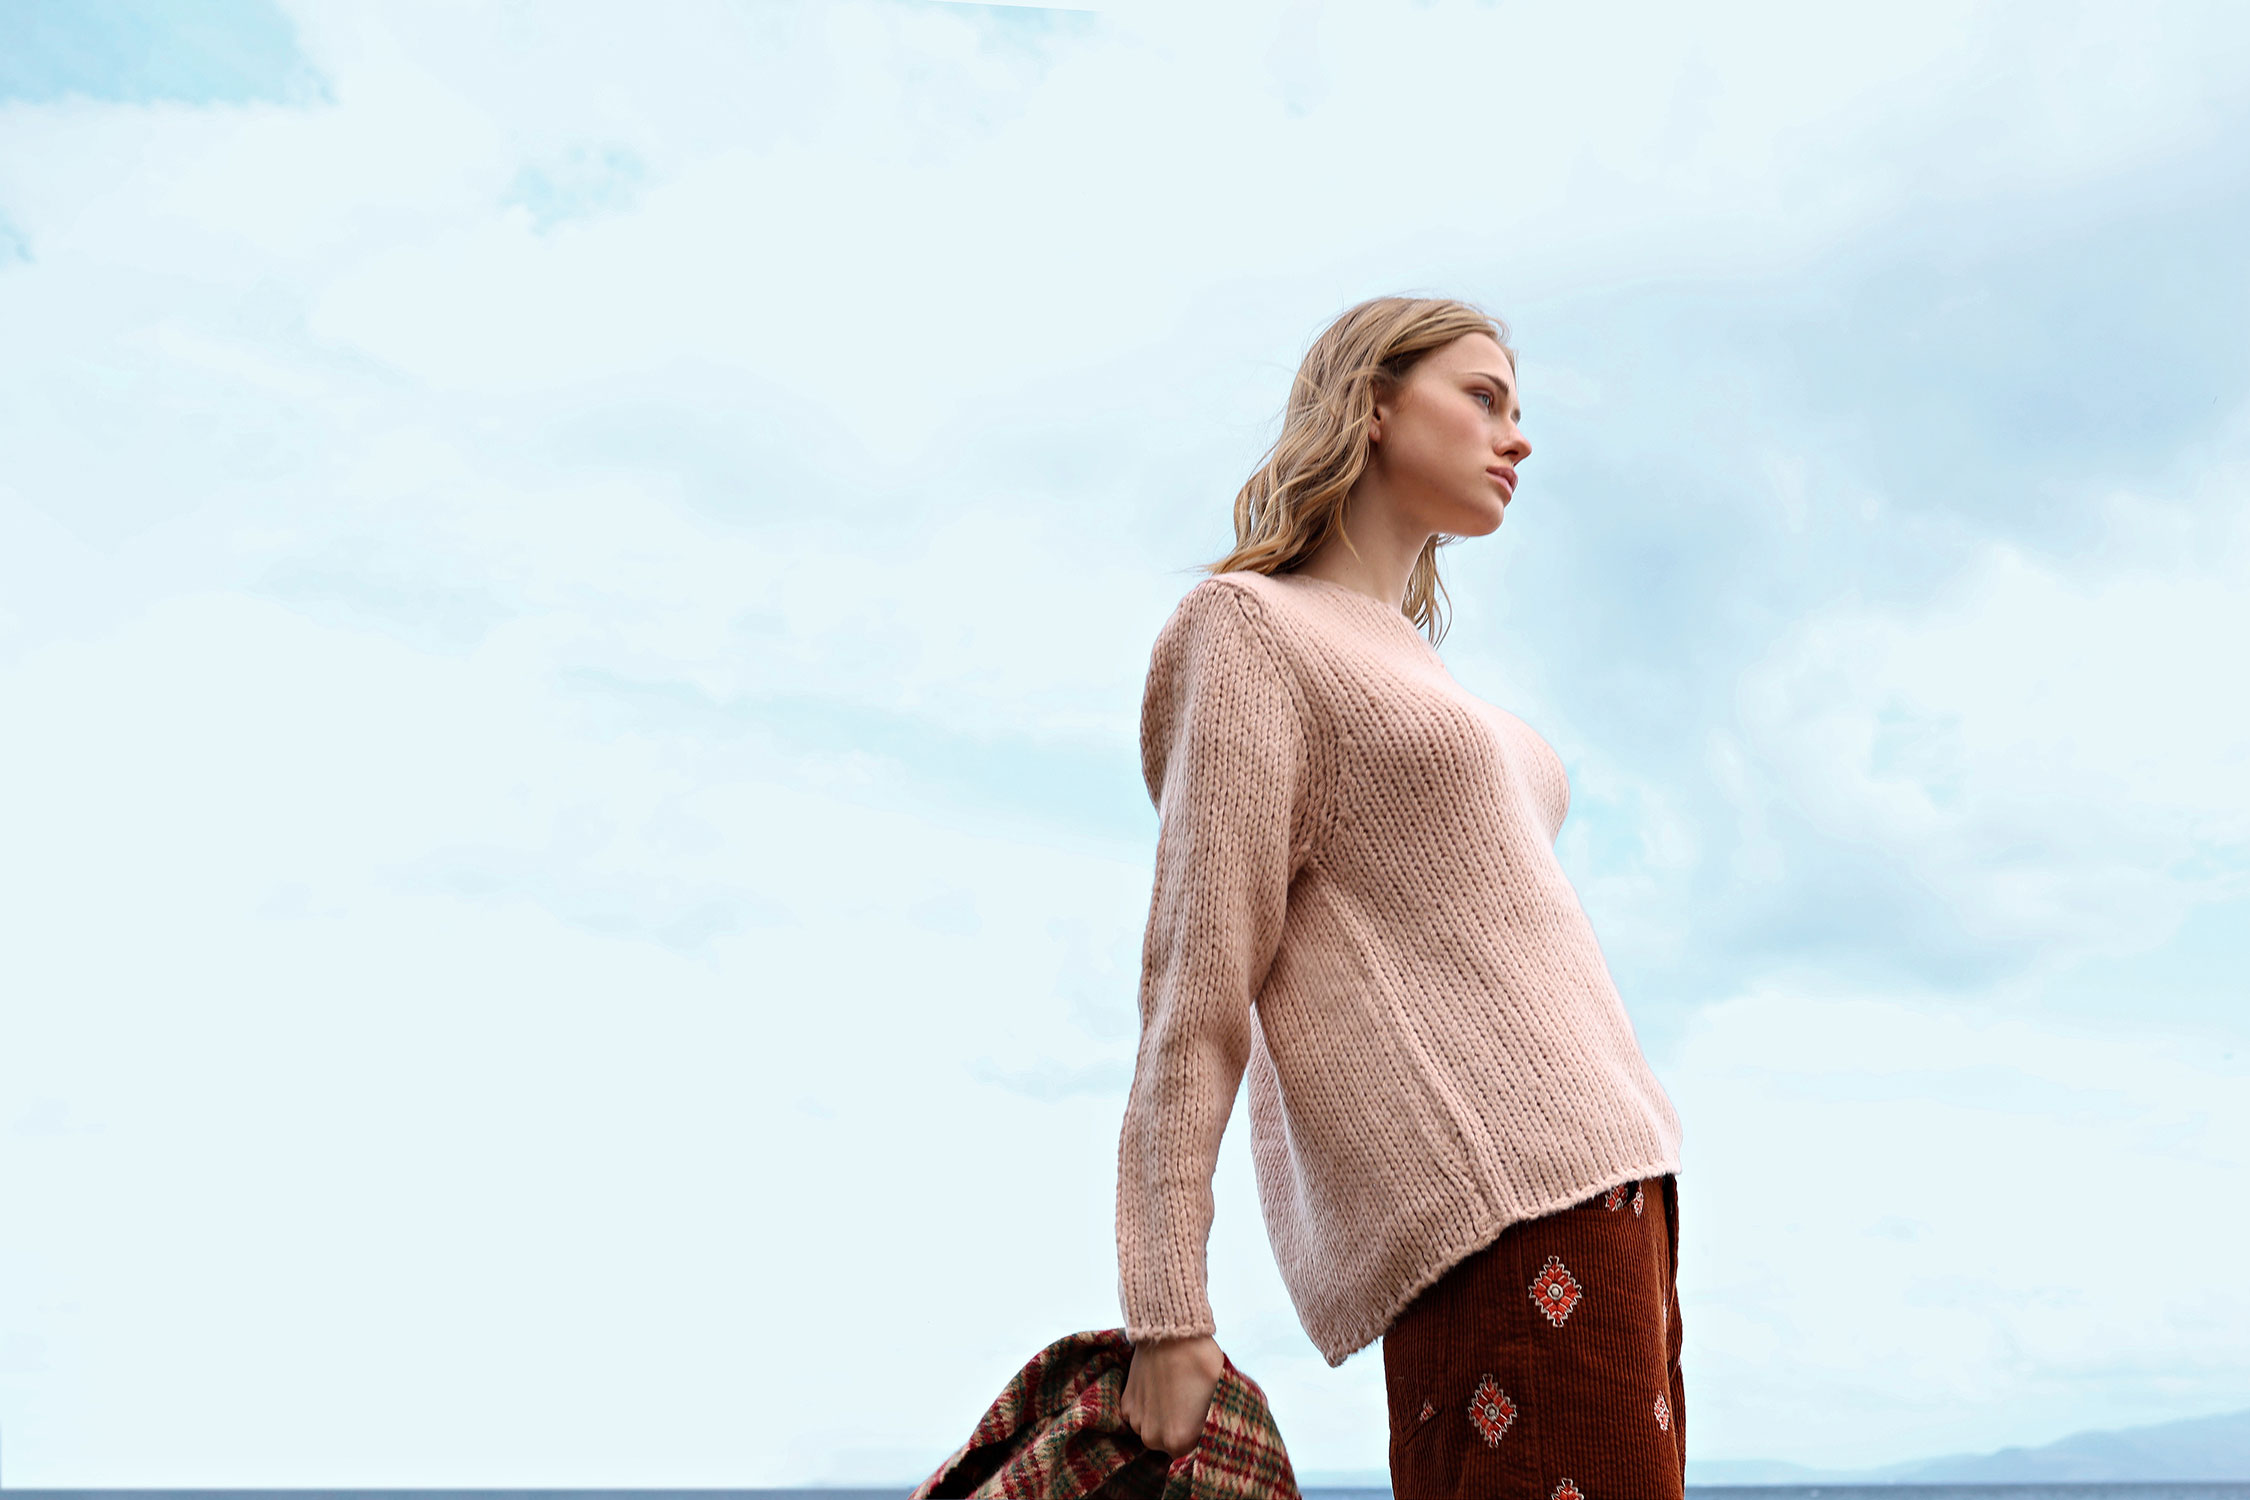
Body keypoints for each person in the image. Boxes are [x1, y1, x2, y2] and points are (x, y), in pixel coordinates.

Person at [1113, 296, 1686, 1500]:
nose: (1517, 436)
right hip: (1505, 1208)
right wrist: (1167, 1309)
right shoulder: (1253, 630)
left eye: (1518, 409)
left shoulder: (1419, 667)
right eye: (1482, 397)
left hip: (1619, 1187)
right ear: (1372, 406)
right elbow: (1195, 986)